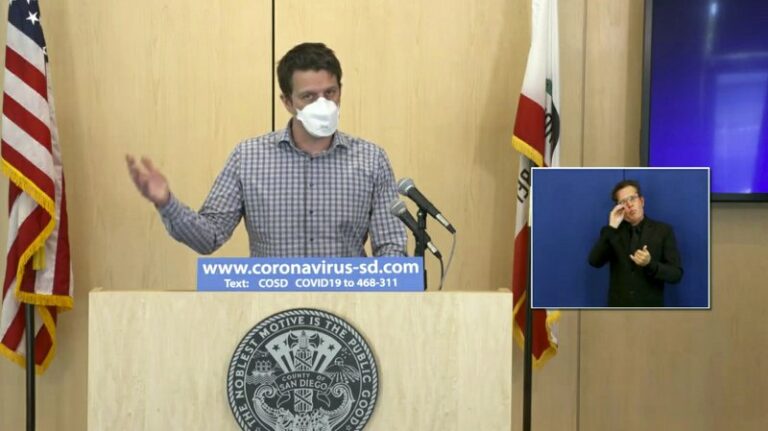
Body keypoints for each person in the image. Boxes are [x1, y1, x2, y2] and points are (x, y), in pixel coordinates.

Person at [126, 42, 406, 257]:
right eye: (309, 96)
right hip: (270, 307)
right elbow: (209, 237)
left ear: (340, 91)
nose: (323, 104)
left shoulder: (371, 159)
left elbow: (391, 247)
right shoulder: (248, 157)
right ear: (287, 102)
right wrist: (167, 203)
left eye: (329, 93)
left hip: (348, 308)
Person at [588, 179, 682, 307]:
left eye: (632, 198)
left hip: (650, 310)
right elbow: (594, 262)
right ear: (618, 208)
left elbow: (676, 274)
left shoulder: (663, 231)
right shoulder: (611, 232)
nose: (629, 205)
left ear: (642, 201)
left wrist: (650, 264)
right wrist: (611, 227)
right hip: (618, 309)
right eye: (623, 202)